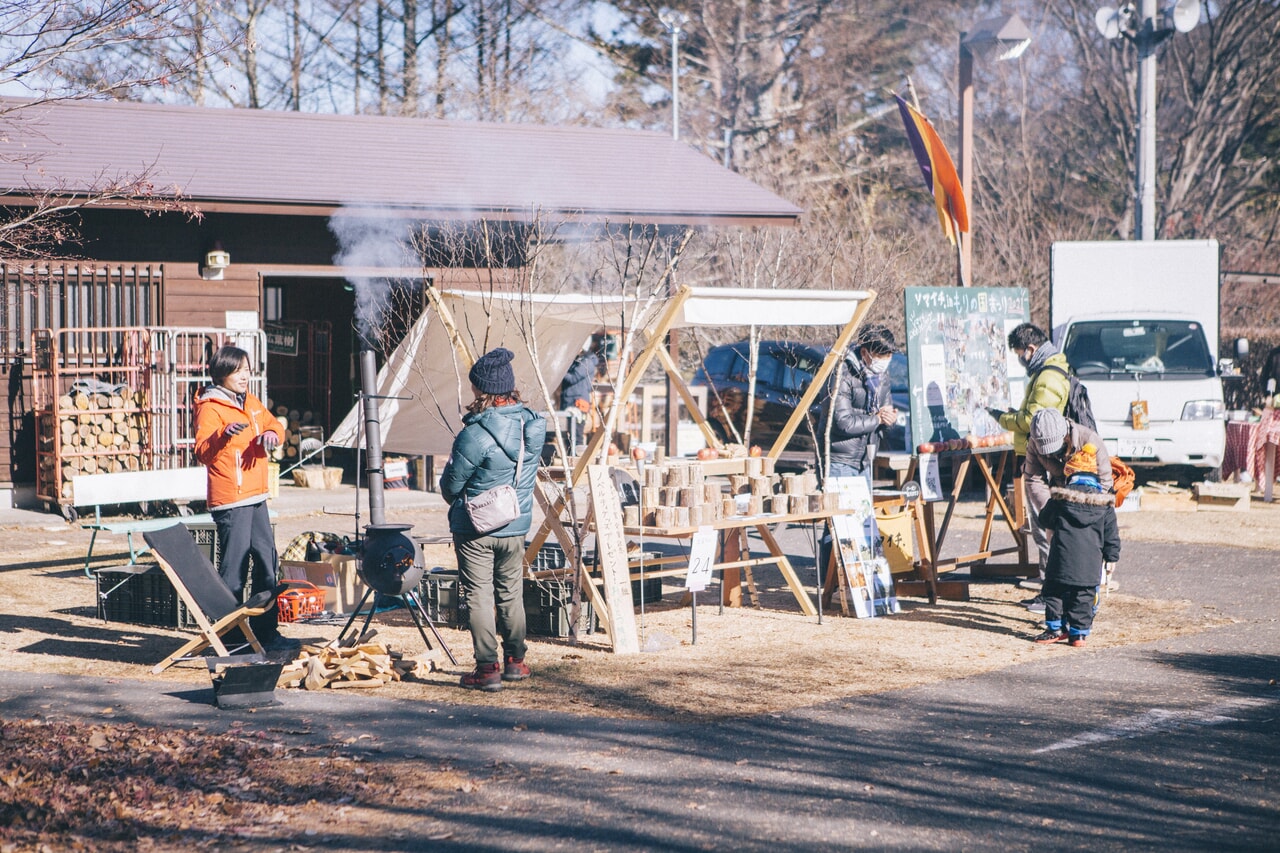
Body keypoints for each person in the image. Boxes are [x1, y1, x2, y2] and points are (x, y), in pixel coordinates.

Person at [440, 347, 547, 692]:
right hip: (515, 523)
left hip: (475, 527)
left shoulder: (474, 435)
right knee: (511, 592)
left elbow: (450, 486)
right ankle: (516, 661)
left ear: (482, 389)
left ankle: (487, 669)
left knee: (479, 596)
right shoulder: (532, 426)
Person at [193, 346, 298, 655]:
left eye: (247, 370)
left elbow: (274, 424)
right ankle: (232, 639)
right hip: (231, 499)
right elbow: (202, 452)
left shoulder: (250, 401)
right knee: (234, 570)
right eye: (238, 371)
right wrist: (223, 434)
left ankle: (267, 632)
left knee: (267, 563)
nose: (245, 376)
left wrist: (272, 435)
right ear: (222, 373)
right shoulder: (210, 407)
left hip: (257, 495)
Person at [986, 323, 1070, 596]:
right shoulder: (1047, 371)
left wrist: (1003, 418)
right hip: (1040, 456)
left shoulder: (1047, 377)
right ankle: (1047, 577)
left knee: (1044, 521)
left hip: (1044, 459)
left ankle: (1050, 585)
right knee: (1043, 521)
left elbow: (1032, 421)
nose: (1020, 359)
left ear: (1031, 349)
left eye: (1020, 353)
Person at [817, 324, 898, 594]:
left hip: (865, 457)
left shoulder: (881, 377)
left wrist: (888, 419)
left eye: (889, 356)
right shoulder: (841, 372)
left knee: (862, 521)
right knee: (836, 523)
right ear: (865, 352)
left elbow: (883, 413)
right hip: (839, 458)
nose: (885, 361)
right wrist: (876, 419)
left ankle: (859, 584)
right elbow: (841, 421)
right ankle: (830, 584)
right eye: (881, 355)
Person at [1023, 408, 1115, 612]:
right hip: (1057, 501)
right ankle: (1054, 600)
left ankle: (1086, 599)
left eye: (1054, 448)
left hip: (1089, 505)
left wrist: (1085, 514)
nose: (1050, 454)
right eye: (1045, 450)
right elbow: (1033, 479)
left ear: (1065, 434)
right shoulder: (1034, 444)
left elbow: (1105, 485)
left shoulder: (1090, 440)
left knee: (1085, 551)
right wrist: (1050, 513)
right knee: (1054, 548)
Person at [1032, 443, 1120, 647]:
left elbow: (1044, 519)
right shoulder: (1105, 504)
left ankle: (1055, 628)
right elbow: (1111, 535)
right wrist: (1112, 557)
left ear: (1070, 473)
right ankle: (1078, 634)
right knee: (1084, 596)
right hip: (1090, 563)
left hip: (1061, 559)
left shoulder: (1060, 498)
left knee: (1054, 591)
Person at [558, 343, 598, 449]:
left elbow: (573, 378)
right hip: (569, 401)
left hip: (578, 403)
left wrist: (558, 370)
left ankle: (577, 457)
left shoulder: (586, 362)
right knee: (568, 436)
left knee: (576, 435)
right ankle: (570, 456)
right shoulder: (577, 361)